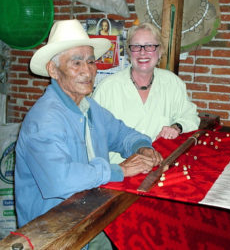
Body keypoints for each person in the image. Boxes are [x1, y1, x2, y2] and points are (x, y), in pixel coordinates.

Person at [14, 19, 162, 249]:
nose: (87, 70)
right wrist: (119, 170)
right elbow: (60, 179)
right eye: (76, 62)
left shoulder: (89, 107)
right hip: (52, 231)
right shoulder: (43, 120)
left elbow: (121, 133)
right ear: (53, 70)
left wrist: (142, 146)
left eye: (91, 61)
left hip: (89, 216)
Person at [93, 22, 200, 164]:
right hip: (120, 171)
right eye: (136, 46)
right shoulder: (107, 89)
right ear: (129, 52)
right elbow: (92, 138)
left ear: (160, 51)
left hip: (160, 166)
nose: (143, 52)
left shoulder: (172, 83)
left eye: (149, 46)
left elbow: (191, 116)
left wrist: (177, 127)